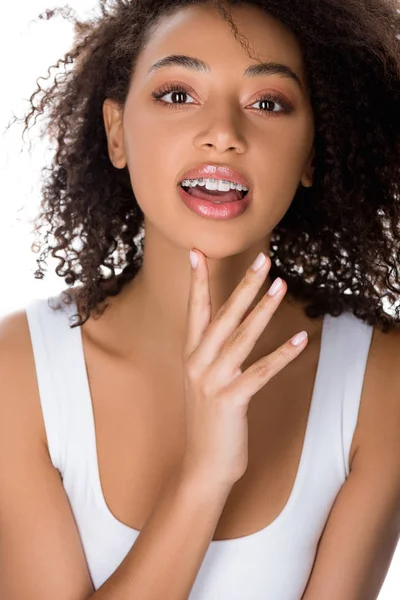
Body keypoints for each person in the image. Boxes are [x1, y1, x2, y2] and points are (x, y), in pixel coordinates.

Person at [1, 0, 400, 598]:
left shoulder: (381, 377)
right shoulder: (17, 373)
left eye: (268, 103)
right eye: (177, 94)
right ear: (116, 133)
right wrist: (204, 475)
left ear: (314, 150)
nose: (223, 134)